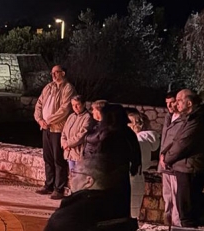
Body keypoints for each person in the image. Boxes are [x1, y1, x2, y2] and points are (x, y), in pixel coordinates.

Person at [161, 89, 204, 228]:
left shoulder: (197, 119)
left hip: (190, 168)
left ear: (189, 103)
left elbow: (183, 143)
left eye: (179, 101)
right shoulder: (193, 117)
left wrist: (166, 159)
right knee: (185, 209)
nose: (177, 104)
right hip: (187, 167)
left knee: (186, 210)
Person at [83, 103, 141, 214]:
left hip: (106, 179)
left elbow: (101, 157)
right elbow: (135, 156)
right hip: (122, 177)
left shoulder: (109, 134)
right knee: (120, 208)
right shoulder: (128, 132)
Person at [34, 65, 76, 199]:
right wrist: (40, 120)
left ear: (63, 73)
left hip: (57, 128)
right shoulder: (48, 87)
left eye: (56, 72)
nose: (53, 75)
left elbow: (65, 109)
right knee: (48, 157)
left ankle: (59, 188)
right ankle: (49, 184)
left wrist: (49, 120)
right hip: (45, 128)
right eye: (52, 73)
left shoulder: (68, 88)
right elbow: (39, 104)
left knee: (58, 159)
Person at [127, 110, 161, 220]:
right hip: (138, 177)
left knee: (131, 210)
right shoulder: (145, 140)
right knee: (134, 209)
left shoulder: (138, 141)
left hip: (132, 177)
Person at [158, 93, 182, 226]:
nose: (169, 106)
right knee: (167, 196)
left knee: (176, 195)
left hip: (174, 163)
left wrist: (167, 157)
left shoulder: (184, 119)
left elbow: (177, 142)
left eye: (172, 102)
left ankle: (176, 224)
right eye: (167, 103)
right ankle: (167, 224)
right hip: (164, 164)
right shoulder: (169, 117)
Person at [60, 95, 91, 178]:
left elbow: (82, 135)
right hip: (70, 152)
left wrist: (68, 144)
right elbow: (64, 132)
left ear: (84, 104)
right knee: (72, 177)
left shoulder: (87, 117)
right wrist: (64, 143)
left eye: (77, 104)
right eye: (73, 105)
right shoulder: (71, 116)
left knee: (79, 178)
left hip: (79, 153)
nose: (75, 107)